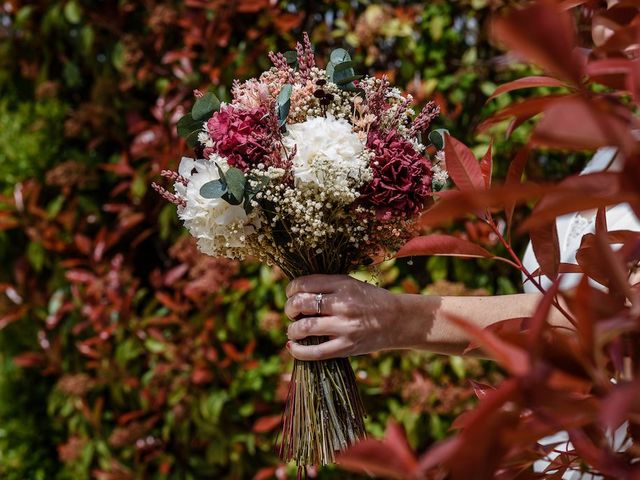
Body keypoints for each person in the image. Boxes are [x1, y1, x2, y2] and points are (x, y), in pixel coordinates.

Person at [284, 147, 640, 361]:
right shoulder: (612, 149)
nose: (613, 27)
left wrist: (395, 318)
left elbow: (621, 322)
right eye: (603, 15)